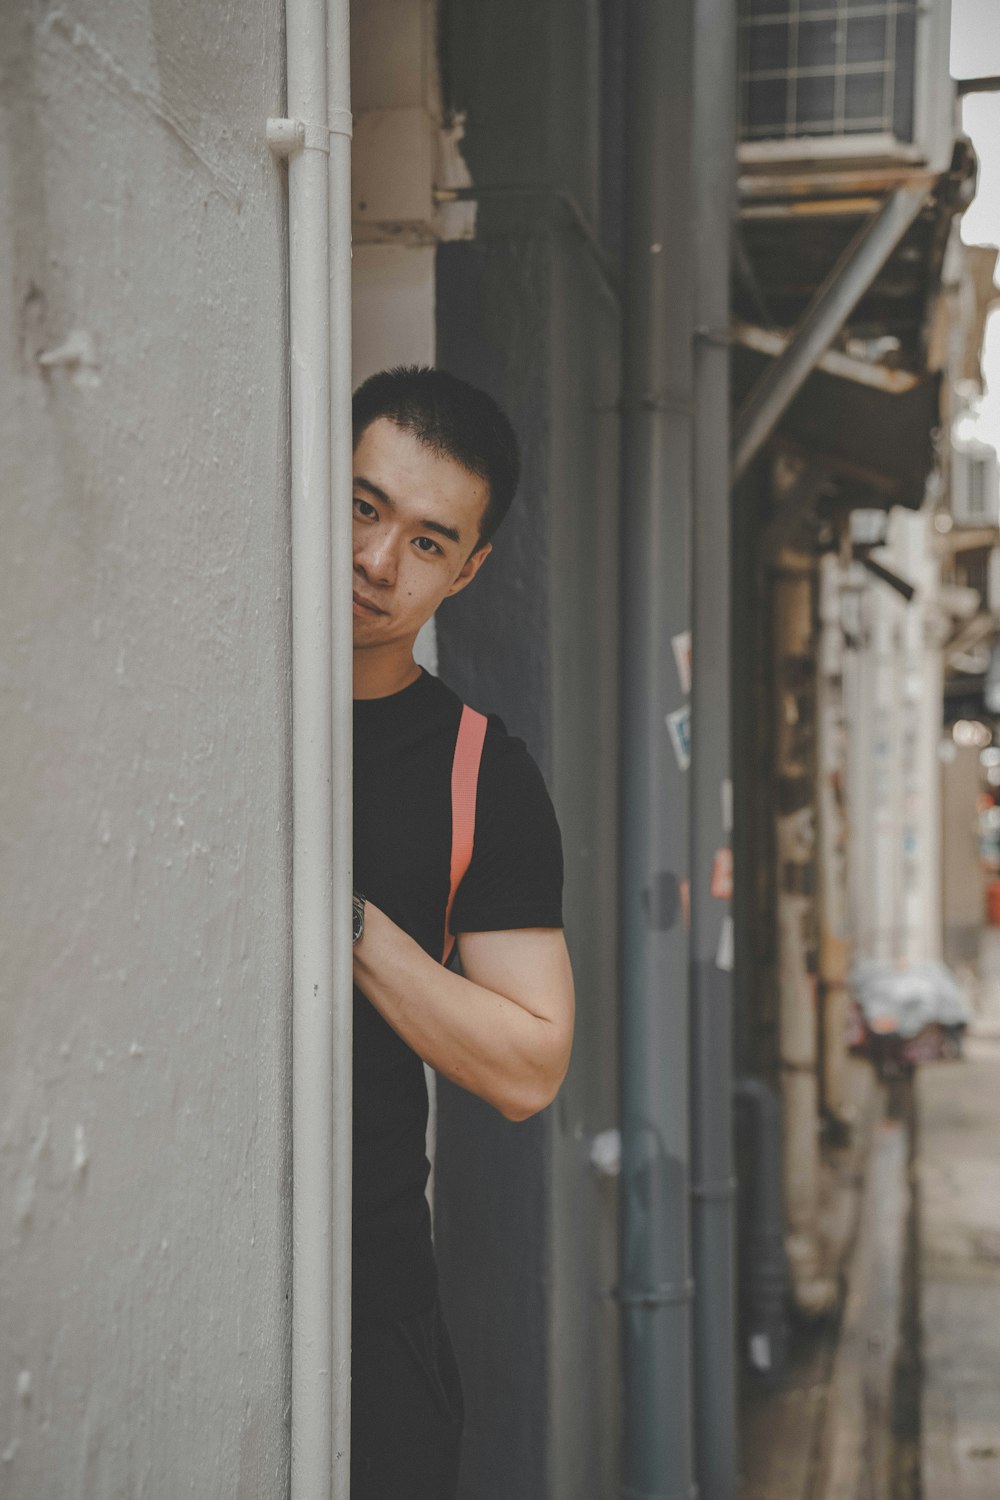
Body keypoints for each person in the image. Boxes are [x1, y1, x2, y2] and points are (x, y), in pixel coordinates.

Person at [349, 366, 575, 1497]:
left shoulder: (480, 770)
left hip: (368, 1303)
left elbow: (532, 1066)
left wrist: (348, 927)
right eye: (362, 506)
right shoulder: (187, 698)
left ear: (470, 571)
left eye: (429, 543)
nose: (379, 563)